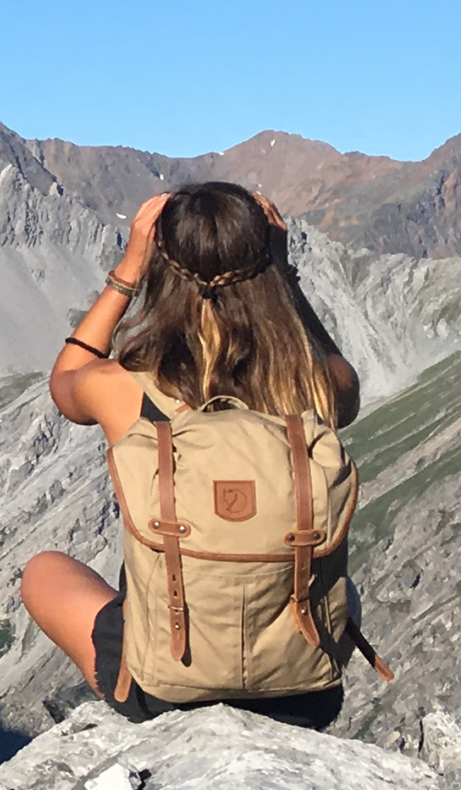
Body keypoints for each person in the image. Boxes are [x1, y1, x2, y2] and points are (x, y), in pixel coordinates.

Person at [21, 181, 366, 729]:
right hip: (304, 693)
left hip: (162, 690)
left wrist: (128, 271)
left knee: (43, 572)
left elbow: (65, 381)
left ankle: (138, 684)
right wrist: (283, 274)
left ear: (162, 267)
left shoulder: (123, 387)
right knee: (344, 588)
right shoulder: (316, 384)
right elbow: (340, 376)